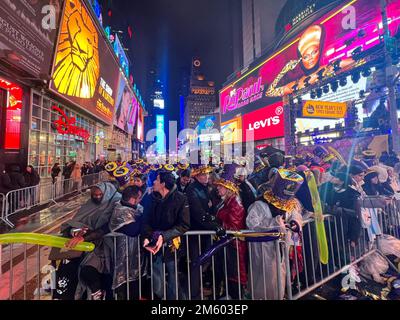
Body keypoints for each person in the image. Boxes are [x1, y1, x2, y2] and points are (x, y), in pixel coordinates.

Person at [55, 182, 122, 300]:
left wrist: (87, 235)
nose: (96, 197)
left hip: (105, 248)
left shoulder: (116, 203)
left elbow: (109, 226)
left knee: (91, 271)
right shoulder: (89, 204)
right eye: (93, 195)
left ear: (107, 194)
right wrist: (75, 230)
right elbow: (75, 221)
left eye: (99, 195)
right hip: (82, 245)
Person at [246, 168, 304, 300]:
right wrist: (275, 222)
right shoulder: (260, 203)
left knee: (280, 274)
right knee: (265, 276)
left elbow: (296, 214)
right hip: (263, 248)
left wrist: (295, 222)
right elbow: (252, 223)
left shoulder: (291, 203)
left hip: (282, 247)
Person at [141, 170, 190, 300]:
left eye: (156, 180)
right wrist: (147, 237)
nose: (154, 183)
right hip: (154, 245)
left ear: (163, 183)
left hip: (172, 246)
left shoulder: (181, 198)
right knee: (157, 281)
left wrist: (164, 236)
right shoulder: (150, 197)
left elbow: (184, 225)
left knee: (173, 279)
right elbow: (145, 220)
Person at [185, 164, 225, 300]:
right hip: (196, 232)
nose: (206, 176)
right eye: (203, 174)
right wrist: (214, 222)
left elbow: (210, 208)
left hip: (205, 231)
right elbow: (198, 213)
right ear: (196, 176)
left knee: (205, 262)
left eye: (207, 174)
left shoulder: (206, 188)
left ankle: (203, 288)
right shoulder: (192, 190)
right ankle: (195, 294)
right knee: (196, 263)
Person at [105, 186, 148, 300]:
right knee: (124, 290)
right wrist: (145, 218)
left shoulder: (135, 207)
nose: (140, 200)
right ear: (132, 199)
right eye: (139, 198)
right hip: (123, 258)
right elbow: (133, 230)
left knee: (135, 288)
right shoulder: (121, 211)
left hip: (135, 257)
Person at [214, 164, 248, 299]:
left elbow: (234, 228)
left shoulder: (235, 204)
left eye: (220, 186)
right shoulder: (227, 201)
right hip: (227, 246)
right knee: (229, 276)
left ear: (228, 188)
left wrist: (219, 226)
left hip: (234, 247)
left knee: (235, 278)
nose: (217, 188)